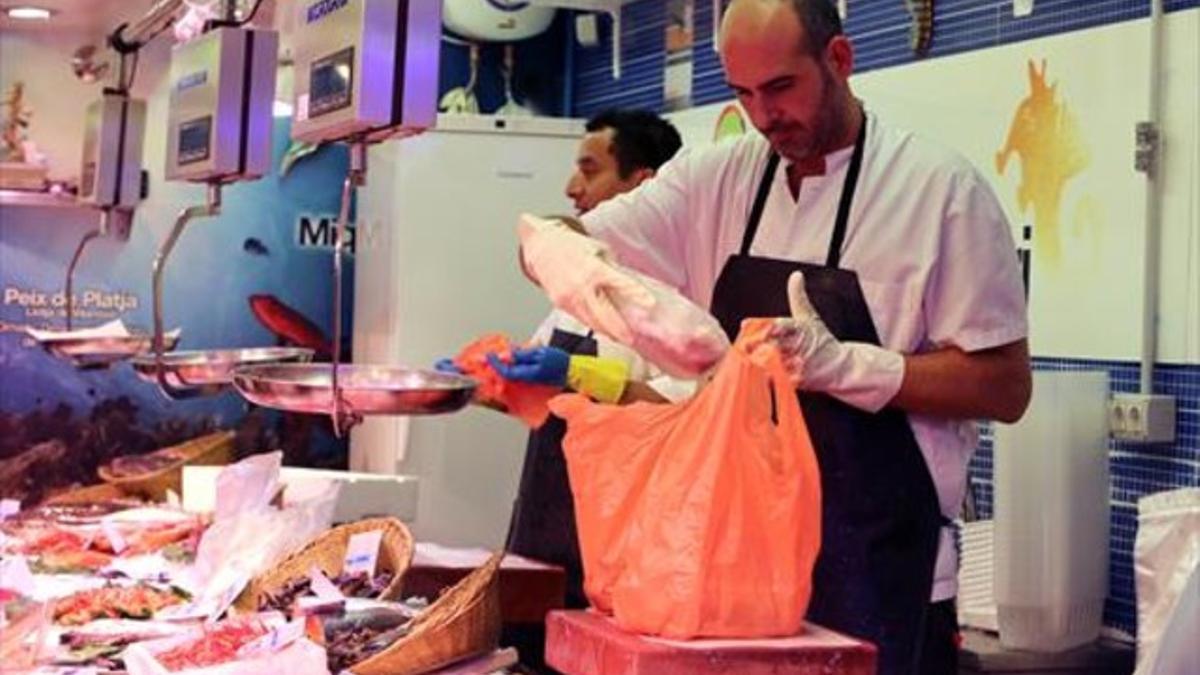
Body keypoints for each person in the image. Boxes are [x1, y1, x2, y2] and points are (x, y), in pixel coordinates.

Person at [518, 1, 1032, 673]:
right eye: (743, 94)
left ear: (840, 60)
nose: (763, 115)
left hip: (884, 572)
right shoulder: (716, 178)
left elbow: (1004, 384)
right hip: (736, 575)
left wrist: (849, 366)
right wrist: (558, 253)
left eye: (781, 88)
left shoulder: (940, 193)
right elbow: (575, 234)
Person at [444, 108, 685, 609]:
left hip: (621, 544)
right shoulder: (577, 294)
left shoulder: (676, 302)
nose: (572, 188)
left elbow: (681, 412)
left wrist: (581, 376)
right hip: (544, 523)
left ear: (644, 186)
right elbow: (536, 388)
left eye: (590, 170)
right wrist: (473, 386)